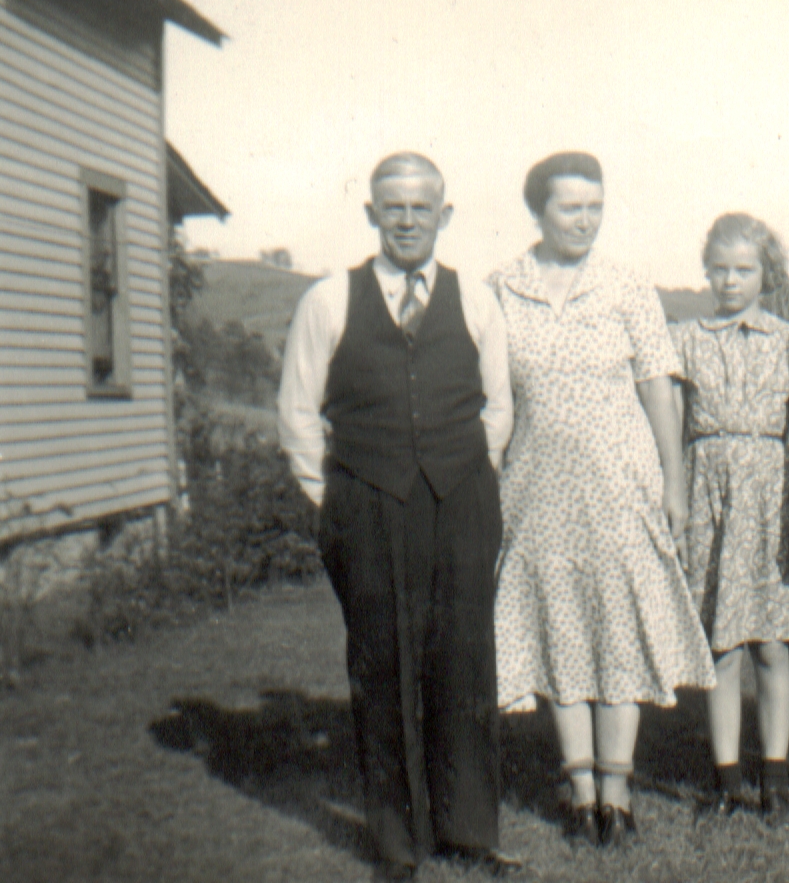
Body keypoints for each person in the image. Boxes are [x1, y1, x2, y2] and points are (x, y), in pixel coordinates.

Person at [276, 153, 518, 879]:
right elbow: (296, 413)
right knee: (382, 667)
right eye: (394, 207)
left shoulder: (474, 298)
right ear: (372, 214)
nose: (408, 220)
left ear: (444, 215)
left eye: (422, 208)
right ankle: (396, 842)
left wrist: (468, 477)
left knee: (465, 665)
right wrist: (341, 499)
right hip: (366, 504)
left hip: (461, 500)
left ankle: (469, 832)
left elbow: (498, 406)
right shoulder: (329, 300)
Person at [489, 151, 716, 848]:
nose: (584, 220)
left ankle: (617, 795)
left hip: (623, 481)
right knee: (559, 627)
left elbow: (657, 385)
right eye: (569, 207)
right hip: (535, 485)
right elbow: (493, 399)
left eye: (595, 206)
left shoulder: (625, 285)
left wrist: (674, 485)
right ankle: (580, 791)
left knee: (618, 628)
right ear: (538, 211)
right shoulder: (502, 287)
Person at [670, 213, 789, 822]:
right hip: (707, 492)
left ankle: (774, 777)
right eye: (719, 269)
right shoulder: (683, 338)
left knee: (772, 644)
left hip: (770, 492)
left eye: (743, 269)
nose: (729, 281)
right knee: (720, 646)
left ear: (766, 273)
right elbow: (670, 427)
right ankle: (726, 779)